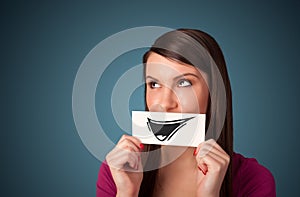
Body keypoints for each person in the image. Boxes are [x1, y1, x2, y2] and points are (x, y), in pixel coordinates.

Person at [96, 29, 276, 197]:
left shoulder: (253, 179)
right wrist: (127, 192)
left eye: (184, 83)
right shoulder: (118, 170)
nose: (164, 104)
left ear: (214, 93)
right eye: (154, 84)